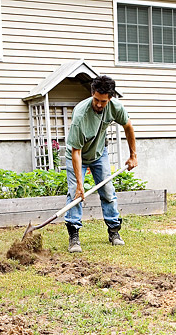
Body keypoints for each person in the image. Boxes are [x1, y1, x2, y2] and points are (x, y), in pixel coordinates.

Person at [64, 75, 137, 253]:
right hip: (78, 154)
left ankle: (114, 231)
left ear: (110, 98)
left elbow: (128, 126)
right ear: (92, 95)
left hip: (99, 153)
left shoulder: (115, 107)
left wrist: (133, 155)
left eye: (103, 101)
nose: (99, 104)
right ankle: (74, 236)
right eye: (96, 100)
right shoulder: (80, 114)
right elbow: (76, 152)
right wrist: (80, 185)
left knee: (108, 191)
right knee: (75, 193)